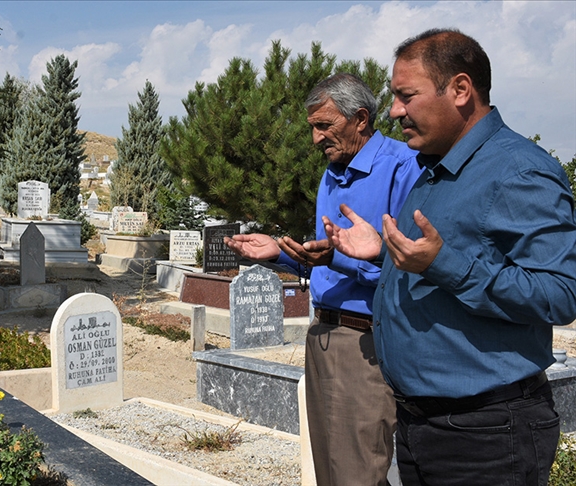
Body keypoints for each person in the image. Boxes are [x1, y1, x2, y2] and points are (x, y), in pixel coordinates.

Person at [323, 29, 576, 485]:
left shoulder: (519, 170)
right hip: (425, 426)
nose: (395, 110)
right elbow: (436, 262)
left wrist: (445, 265)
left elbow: (560, 294)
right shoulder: (437, 168)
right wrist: (384, 252)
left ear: (460, 90)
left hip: (486, 435)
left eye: (406, 96)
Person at [224, 73, 422, 485]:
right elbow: (327, 260)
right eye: (312, 127)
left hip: (368, 343)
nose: (315, 139)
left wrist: (345, 260)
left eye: (324, 126)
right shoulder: (333, 171)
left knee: (358, 475)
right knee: (331, 473)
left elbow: (412, 267)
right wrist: (279, 253)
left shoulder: (403, 168)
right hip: (324, 335)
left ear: (361, 119)